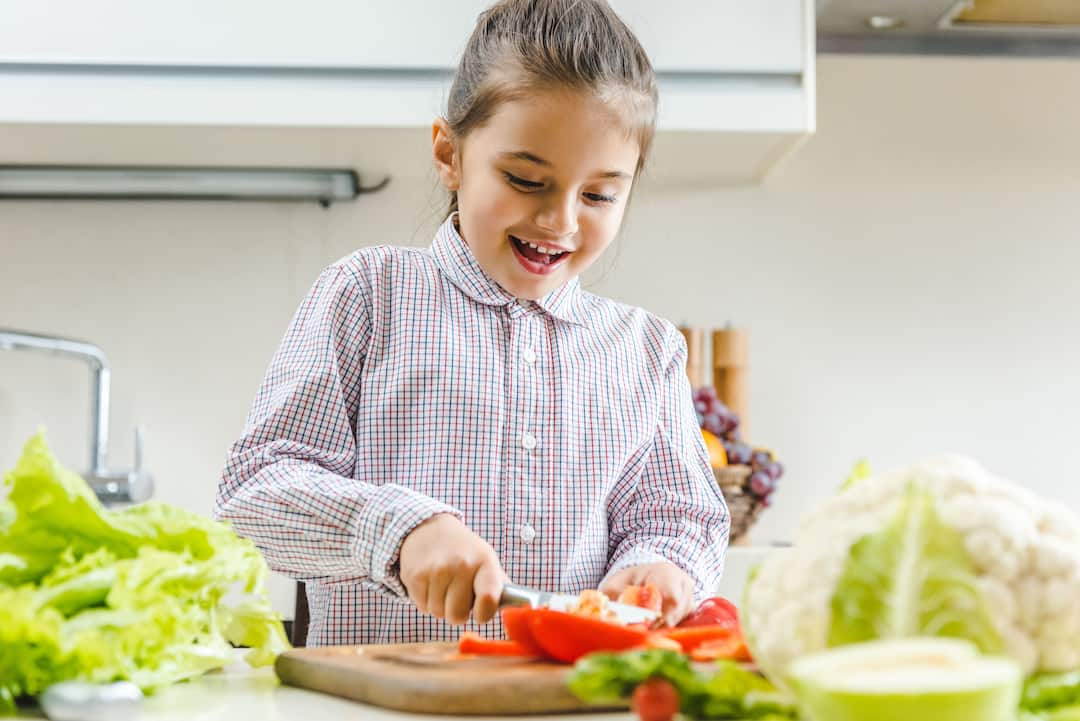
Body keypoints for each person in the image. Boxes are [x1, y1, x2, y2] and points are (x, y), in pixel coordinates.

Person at [216, 0, 729, 647]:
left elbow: (681, 516)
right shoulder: (369, 293)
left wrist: (660, 565)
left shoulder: (647, 348)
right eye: (525, 178)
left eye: (599, 194)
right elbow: (256, 487)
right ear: (450, 155)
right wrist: (401, 530)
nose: (561, 220)